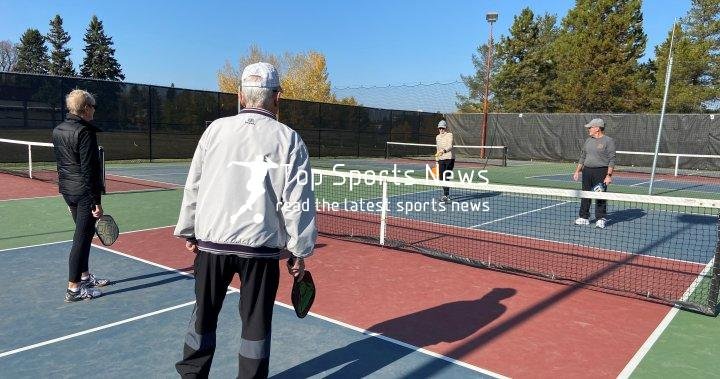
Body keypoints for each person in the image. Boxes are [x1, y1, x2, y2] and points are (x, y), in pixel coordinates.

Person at [174, 62, 317, 379]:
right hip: (261, 252)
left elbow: (195, 182)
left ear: (240, 95)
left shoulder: (214, 130)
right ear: (277, 98)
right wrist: (299, 252)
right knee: (255, 328)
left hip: (213, 245)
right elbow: (298, 203)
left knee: (202, 319)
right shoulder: (289, 140)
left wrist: (190, 228)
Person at [53, 89, 109, 302]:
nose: (94, 110)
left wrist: (67, 195)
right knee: (81, 239)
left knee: (85, 236)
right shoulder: (85, 132)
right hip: (84, 193)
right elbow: (90, 169)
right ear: (85, 108)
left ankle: (84, 276)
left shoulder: (58, 129)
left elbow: (62, 165)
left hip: (69, 191)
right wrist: (97, 201)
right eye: (93, 106)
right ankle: (73, 288)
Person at [573, 118, 616, 229]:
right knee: (585, 194)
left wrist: (608, 175)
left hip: (601, 171)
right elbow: (583, 157)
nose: (589, 129)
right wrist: (577, 171)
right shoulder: (588, 140)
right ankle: (584, 217)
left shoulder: (608, 141)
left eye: (590, 127)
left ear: (597, 128)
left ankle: (600, 219)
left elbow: (612, 159)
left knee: (600, 195)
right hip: (587, 171)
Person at [435, 120, 455, 203]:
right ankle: (445, 194)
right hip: (441, 159)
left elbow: (450, 146)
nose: (441, 130)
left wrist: (444, 150)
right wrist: (437, 159)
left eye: (442, 128)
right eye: (440, 128)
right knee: (441, 178)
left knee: (446, 176)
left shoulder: (450, 135)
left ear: (445, 128)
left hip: (449, 158)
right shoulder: (437, 137)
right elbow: (437, 148)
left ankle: (446, 195)